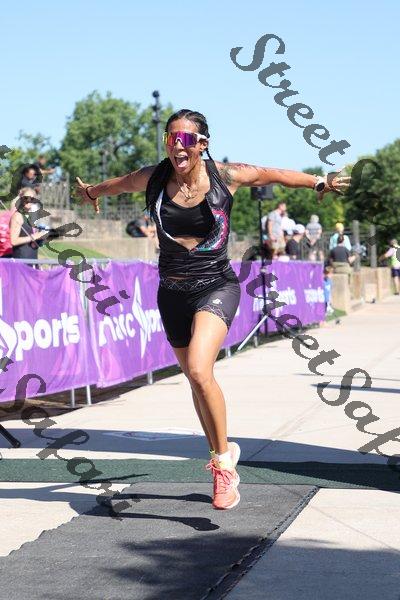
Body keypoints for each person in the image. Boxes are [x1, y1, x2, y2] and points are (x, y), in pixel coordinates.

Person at [76, 109, 349, 510]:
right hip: (171, 291)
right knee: (195, 379)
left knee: (201, 370)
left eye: (185, 139)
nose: (177, 146)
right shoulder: (154, 178)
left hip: (216, 286)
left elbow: (271, 174)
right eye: (170, 138)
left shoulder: (226, 175)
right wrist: (92, 193)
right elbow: (117, 184)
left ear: (202, 144)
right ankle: (220, 451)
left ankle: (223, 466)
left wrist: (318, 181)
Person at [9, 188, 48, 259]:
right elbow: (13, 241)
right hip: (21, 260)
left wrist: (40, 238)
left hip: (32, 258)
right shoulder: (17, 216)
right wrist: (33, 237)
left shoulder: (29, 216)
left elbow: (31, 239)